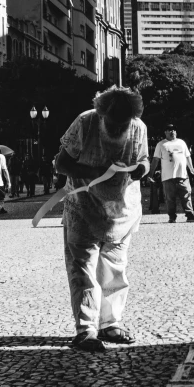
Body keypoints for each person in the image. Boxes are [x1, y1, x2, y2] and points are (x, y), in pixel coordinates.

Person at [55, 86, 149, 352]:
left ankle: (111, 323)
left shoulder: (138, 127)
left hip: (121, 211)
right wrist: (95, 170)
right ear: (102, 113)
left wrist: (142, 168)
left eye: (124, 122)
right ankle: (86, 329)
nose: (119, 127)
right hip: (83, 207)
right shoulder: (86, 122)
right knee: (83, 269)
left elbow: (143, 158)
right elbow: (61, 164)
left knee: (115, 269)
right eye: (113, 122)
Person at [151, 124, 194, 223]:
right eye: (169, 130)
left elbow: (187, 156)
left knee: (186, 195)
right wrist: (150, 174)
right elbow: (155, 160)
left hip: (182, 175)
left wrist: (191, 168)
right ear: (165, 132)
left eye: (174, 130)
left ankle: (190, 215)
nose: (172, 132)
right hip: (168, 177)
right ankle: (172, 217)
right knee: (169, 198)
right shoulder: (161, 144)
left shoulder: (181, 143)